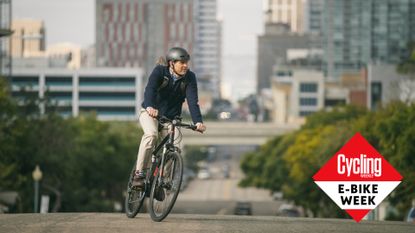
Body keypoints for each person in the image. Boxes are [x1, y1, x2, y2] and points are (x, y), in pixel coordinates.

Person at [133, 47, 206, 187]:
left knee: (176, 147)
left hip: (171, 119)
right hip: (150, 113)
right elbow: (150, 89)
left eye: (186, 62)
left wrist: (198, 122)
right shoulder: (160, 71)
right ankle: (139, 173)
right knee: (151, 135)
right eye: (181, 62)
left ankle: (162, 181)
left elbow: (192, 101)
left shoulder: (190, 78)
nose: (185, 65)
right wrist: (149, 106)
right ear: (172, 63)